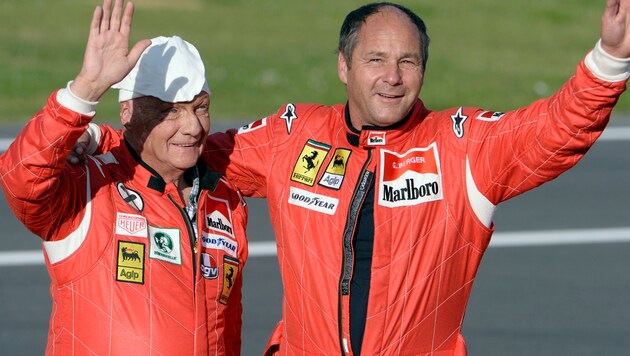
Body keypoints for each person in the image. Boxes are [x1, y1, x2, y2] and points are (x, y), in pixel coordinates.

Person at [85, 0, 630, 354]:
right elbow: (186, 146)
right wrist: (102, 139)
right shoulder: (292, 135)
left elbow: (553, 132)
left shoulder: (464, 146)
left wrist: (609, 61)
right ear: (344, 67)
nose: (392, 78)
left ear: (424, 70)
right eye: (375, 60)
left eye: (408, 62)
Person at [0, 0, 248, 354]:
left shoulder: (225, 200)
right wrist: (83, 92)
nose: (192, 127)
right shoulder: (87, 189)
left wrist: (101, 136)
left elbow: (228, 330)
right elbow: (19, 174)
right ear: (128, 112)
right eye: (170, 111)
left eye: (200, 107)